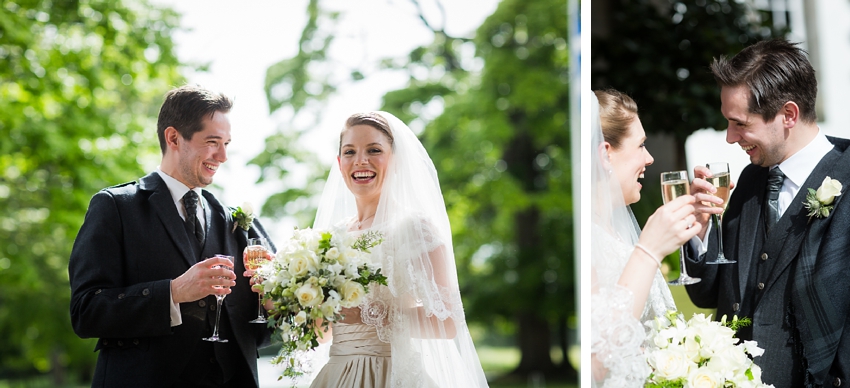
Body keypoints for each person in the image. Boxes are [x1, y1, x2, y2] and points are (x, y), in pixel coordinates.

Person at [69, 84, 275, 387]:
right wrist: (173, 292)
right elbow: (86, 312)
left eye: (227, 143)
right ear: (174, 137)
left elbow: (259, 331)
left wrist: (270, 300)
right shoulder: (115, 207)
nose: (223, 156)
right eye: (212, 142)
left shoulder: (236, 221)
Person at [684, 39, 850, 388]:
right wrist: (700, 232)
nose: (730, 137)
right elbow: (709, 295)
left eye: (740, 123)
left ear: (788, 115)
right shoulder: (749, 180)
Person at [305, 112, 489, 387]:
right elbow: (321, 335)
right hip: (337, 375)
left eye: (374, 150)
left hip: (388, 374)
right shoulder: (331, 238)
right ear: (339, 162)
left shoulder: (414, 228)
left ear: (396, 159)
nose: (361, 161)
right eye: (350, 152)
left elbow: (447, 322)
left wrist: (370, 314)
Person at [590, 89, 702, 387]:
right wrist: (648, 251)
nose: (650, 158)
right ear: (605, 154)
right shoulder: (586, 240)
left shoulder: (616, 230)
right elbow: (596, 362)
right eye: (641, 145)